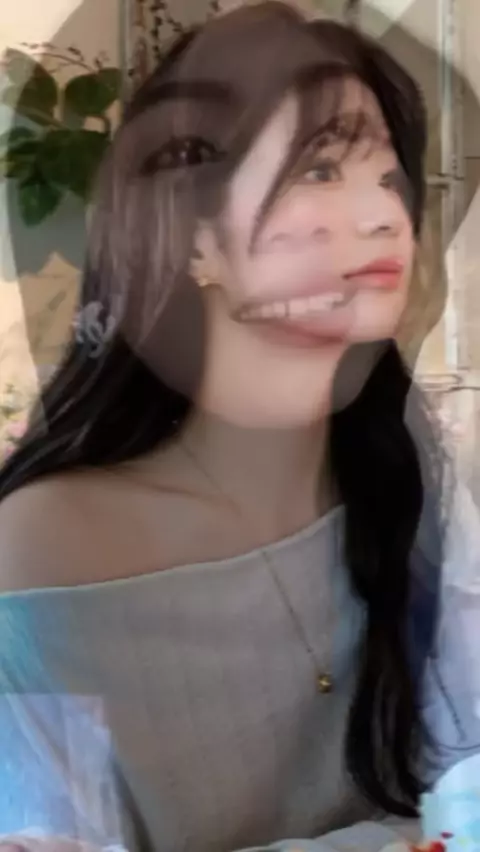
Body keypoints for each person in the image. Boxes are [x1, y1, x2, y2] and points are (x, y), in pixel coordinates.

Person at [1, 3, 480, 851]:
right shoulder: (47, 547)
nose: (382, 213)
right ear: (193, 237)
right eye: (321, 169)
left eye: (387, 175)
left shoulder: (405, 471)